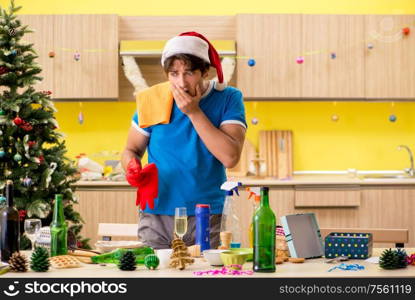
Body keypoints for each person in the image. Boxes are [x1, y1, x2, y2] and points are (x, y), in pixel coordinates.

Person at [121, 31, 247, 249]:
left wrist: (194, 112)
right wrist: (130, 165)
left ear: (205, 72)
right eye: (174, 73)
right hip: (156, 211)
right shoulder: (153, 99)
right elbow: (131, 149)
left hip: (206, 213)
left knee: (205, 277)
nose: (181, 82)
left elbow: (230, 157)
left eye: (189, 73)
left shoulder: (228, 98)